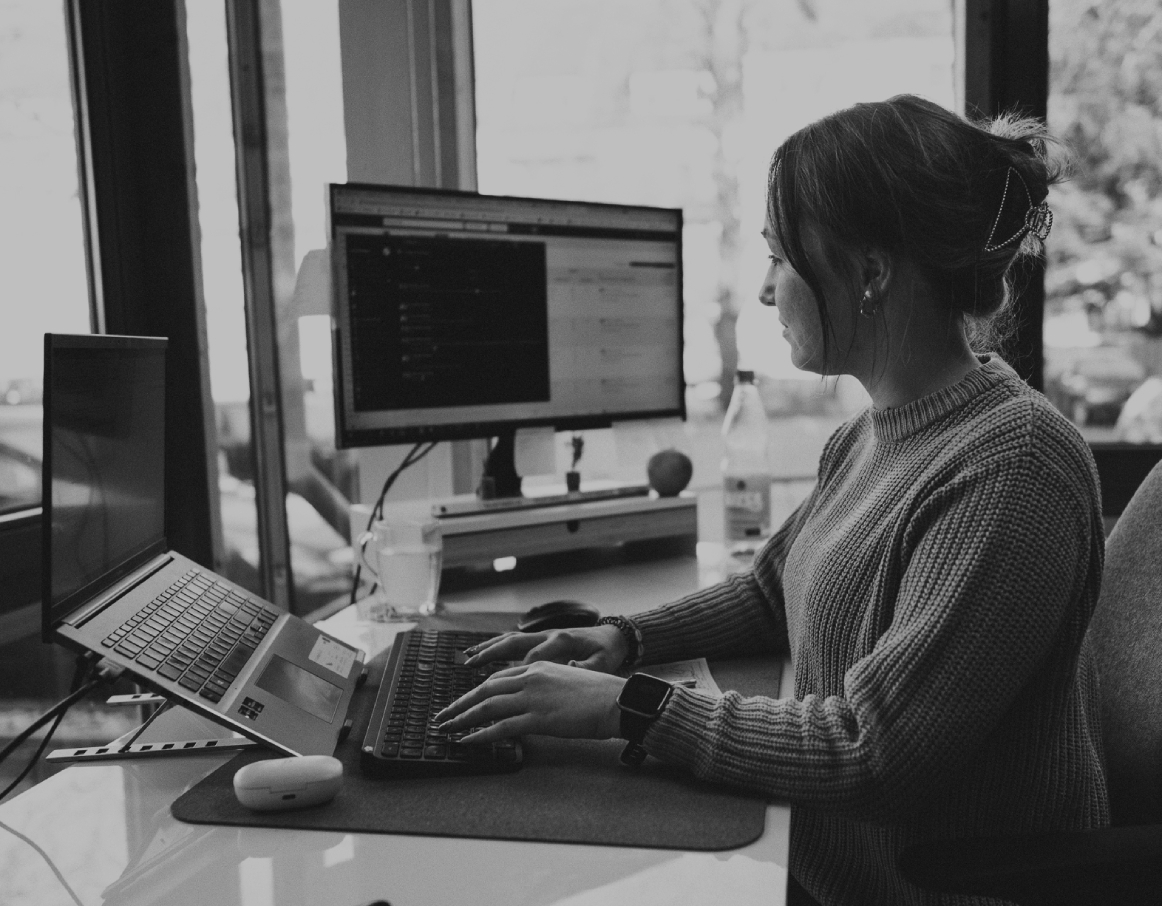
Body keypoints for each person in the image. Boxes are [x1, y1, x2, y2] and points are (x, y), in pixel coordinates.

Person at [435, 95, 1109, 906]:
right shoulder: (868, 437)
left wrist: (629, 708)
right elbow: (769, 592)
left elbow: (874, 754)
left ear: (869, 272)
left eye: (779, 258)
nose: (764, 291)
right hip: (814, 865)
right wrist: (622, 639)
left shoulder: (1013, 468)